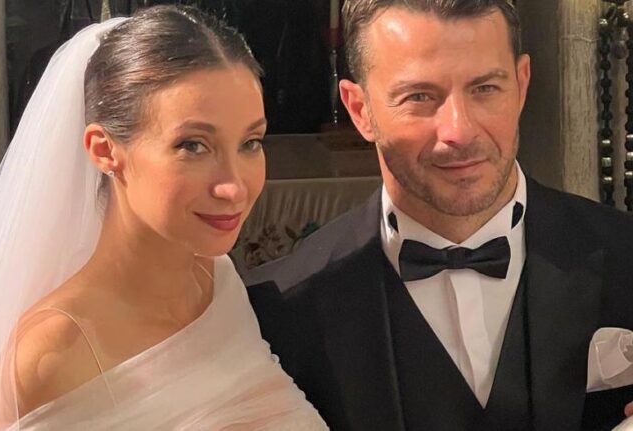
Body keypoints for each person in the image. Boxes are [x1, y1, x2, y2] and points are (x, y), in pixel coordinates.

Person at [0, 6, 328, 430]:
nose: (234, 187)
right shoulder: (54, 357)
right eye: (193, 146)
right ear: (104, 150)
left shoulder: (216, 280)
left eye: (250, 143)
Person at [243, 1, 633, 430]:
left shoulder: (626, 256)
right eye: (419, 97)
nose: (459, 131)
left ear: (521, 85)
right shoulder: (279, 312)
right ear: (360, 110)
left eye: (485, 88)